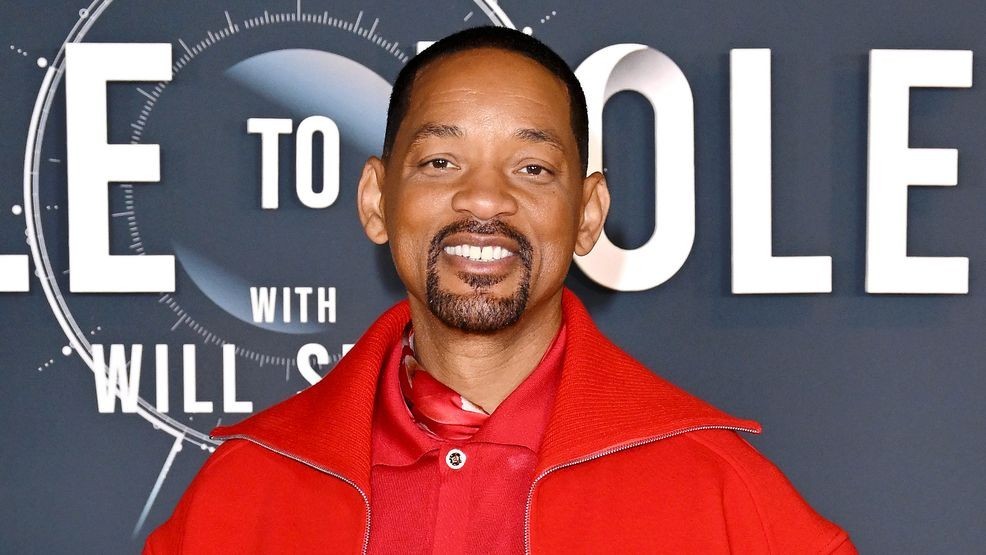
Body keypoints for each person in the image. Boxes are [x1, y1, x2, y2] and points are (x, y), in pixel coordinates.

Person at [144, 26, 856, 554]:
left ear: (588, 214)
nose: (484, 197)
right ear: (375, 201)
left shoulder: (726, 495)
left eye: (534, 168)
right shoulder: (242, 491)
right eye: (441, 160)